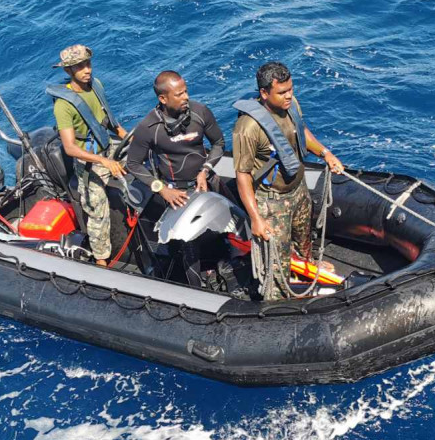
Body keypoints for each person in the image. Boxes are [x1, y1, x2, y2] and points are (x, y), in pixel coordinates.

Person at [233, 61, 344, 299]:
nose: (289, 96)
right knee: (277, 258)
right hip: (272, 200)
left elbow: (301, 131)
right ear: (264, 93)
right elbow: (242, 174)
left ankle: (305, 266)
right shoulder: (248, 128)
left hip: (297, 188)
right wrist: (256, 218)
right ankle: (277, 297)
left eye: (290, 89)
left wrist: (325, 153)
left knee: (304, 237)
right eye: (282, 92)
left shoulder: (291, 105)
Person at [46, 44, 128, 267]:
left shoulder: (96, 85)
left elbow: (109, 122)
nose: (87, 70)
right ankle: (101, 259)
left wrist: (128, 138)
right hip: (88, 160)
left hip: (108, 146)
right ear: (68, 71)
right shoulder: (63, 105)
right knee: (97, 208)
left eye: (88, 64)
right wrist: (104, 161)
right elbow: (70, 148)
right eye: (80, 66)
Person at [126, 71, 225, 210]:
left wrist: (205, 170)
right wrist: (162, 189)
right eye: (179, 95)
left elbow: (218, 143)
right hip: (177, 193)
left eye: (186, 91)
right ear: (163, 99)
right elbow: (133, 164)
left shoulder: (200, 112)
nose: (186, 97)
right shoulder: (148, 128)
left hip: (208, 179)